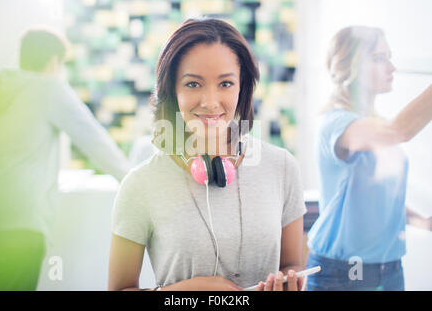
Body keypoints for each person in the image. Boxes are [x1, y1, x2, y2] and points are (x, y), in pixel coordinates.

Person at [108, 18, 307, 291]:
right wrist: (188, 291)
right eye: (193, 84)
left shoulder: (281, 167)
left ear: (242, 87)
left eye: (225, 84)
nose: (211, 102)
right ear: (172, 90)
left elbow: (292, 265)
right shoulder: (141, 184)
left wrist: (288, 283)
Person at [0, 27, 131, 290]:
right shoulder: (48, 88)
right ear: (54, 61)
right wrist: (135, 182)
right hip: (21, 226)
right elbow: (95, 142)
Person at [306, 26, 432, 291]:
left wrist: (421, 220)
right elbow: (399, 131)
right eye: (379, 58)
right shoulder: (337, 124)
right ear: (352, 66)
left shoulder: (379, 127)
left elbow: (379, 194)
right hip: (340, 273)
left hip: (390, 269)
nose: (392, 67)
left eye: (389, 56)